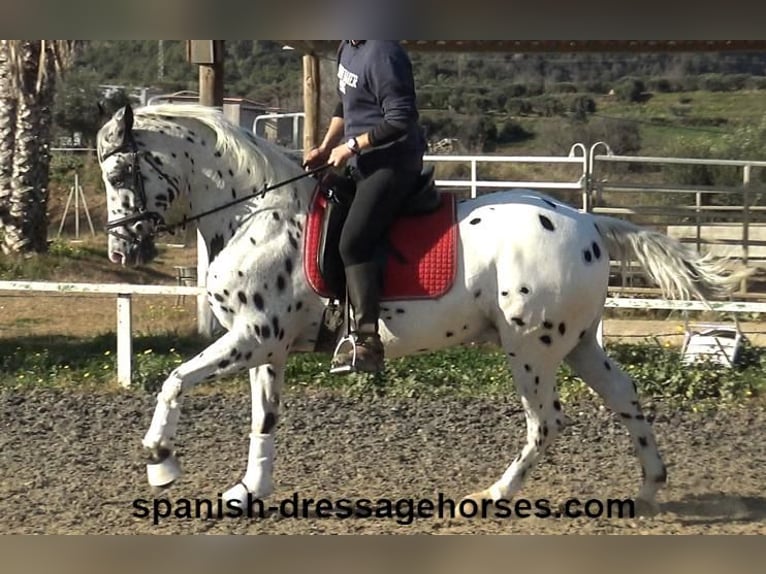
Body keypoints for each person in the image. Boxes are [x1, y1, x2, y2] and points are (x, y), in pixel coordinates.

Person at [304, 40, 426, 374]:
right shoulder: (348, 47)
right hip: (361, 159)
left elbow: (401, 118)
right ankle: (334, 317)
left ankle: (368, 342)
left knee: (354, 242)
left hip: (394, 161)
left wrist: (352, 146)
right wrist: (326, 146)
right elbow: (345, 105)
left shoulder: (384, 53)